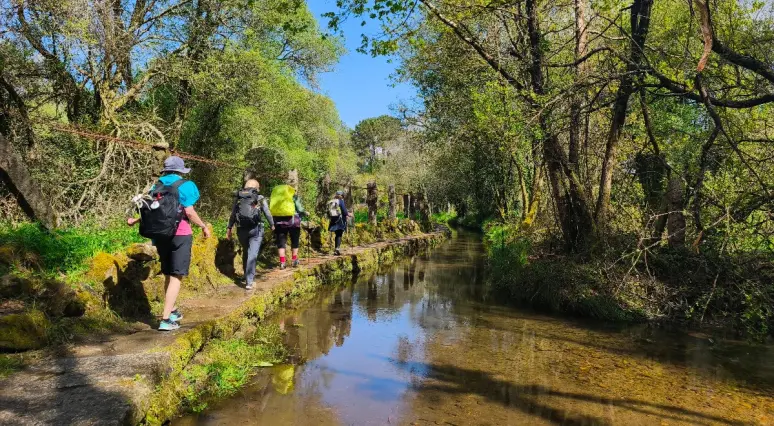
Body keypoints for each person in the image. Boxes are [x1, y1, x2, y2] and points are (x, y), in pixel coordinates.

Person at [127, 156, 210, 331]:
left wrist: (135, 220)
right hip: (180, 234)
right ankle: (165, 320)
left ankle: (172, 310)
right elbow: (189, 211)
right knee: (176, 275)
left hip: (160, 235)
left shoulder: (155, 186)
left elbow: (150, 209)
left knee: (167, 273)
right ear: (181, 170)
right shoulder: (186, 185)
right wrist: (203, 226)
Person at [227, 179, 274, 290]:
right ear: (256, 188)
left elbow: (233, 213)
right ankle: (249, 281)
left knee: (246, 251)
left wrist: (229, 227)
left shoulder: (239, 197)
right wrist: (272, 224)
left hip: (241, 229)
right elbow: (266, 211)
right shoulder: (260, 197)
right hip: (256, 229)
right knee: (252, 254)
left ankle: (246, 276)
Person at [269, 182, 307, 269]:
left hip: (279, 222)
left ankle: (282, 262)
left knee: (281, 242)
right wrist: (305, 213)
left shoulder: (276, 197)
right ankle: (294, 260)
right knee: (295, 240)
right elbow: (300, 209)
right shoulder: (293, 196)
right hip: (293, 222)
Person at [327, 190, 352, 256]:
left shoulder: (331, 201)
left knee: (337, 234)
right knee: (339, 234)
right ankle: (337, 249)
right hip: (340, 220)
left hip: (333, 219)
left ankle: (336, 249)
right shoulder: (340, 201)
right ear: (342, 195)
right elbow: (344, 211)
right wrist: (349, 214)